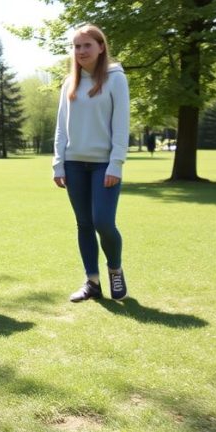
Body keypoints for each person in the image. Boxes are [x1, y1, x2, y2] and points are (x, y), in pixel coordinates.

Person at [52, 24, 130, 303]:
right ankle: (92, 282)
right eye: (76, 46)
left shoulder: (115, 78)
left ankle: (115, 269)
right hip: (74, 164)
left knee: (103, 222)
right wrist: (58, 164)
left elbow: (121, 125)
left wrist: (116, 163)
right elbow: (61, 127)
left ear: (100, 47)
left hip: (103, 165)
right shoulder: (69, 82)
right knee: (84, 223)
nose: (81, 51)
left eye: (87, 45)